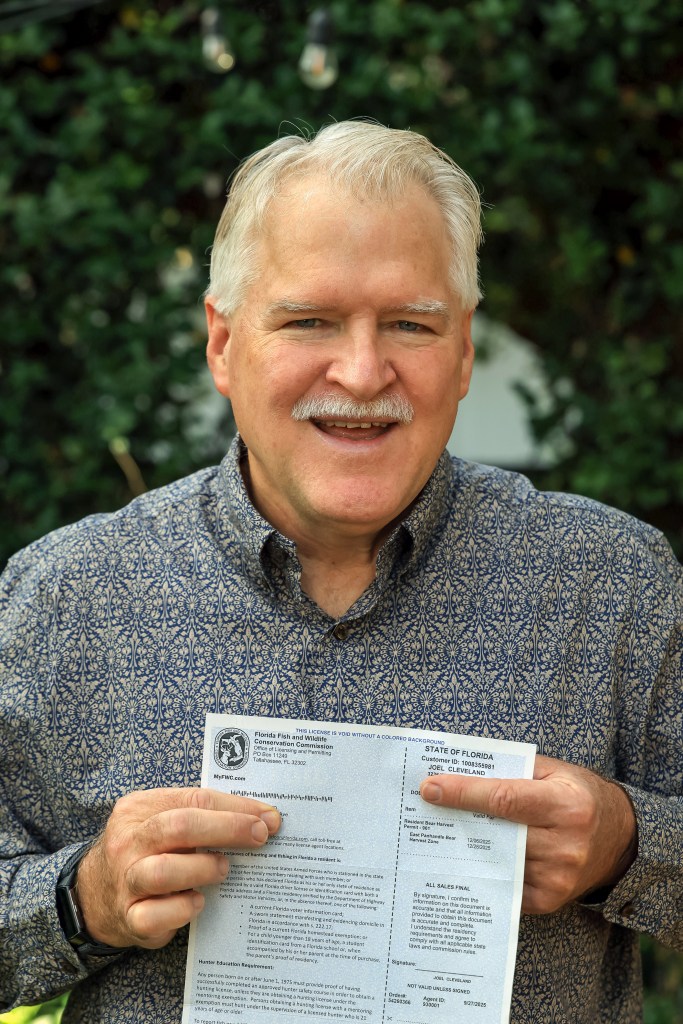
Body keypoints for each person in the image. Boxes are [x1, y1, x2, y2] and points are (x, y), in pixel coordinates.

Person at [0, 121, 681, 1024]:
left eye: (409, 323)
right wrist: (81, 900)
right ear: (222, 343)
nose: (362, 373)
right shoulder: (63, 600)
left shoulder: (611, 586)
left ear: (465, 349)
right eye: (308, 320)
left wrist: (630, 848)